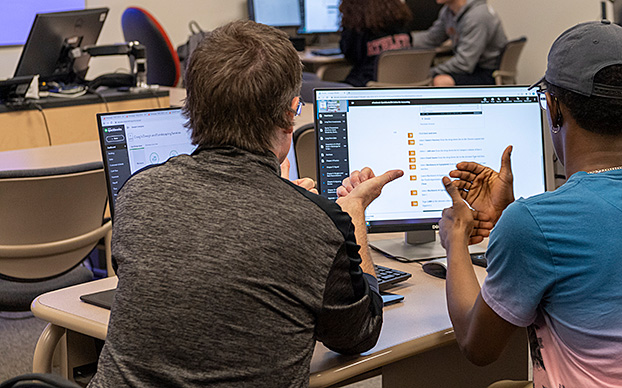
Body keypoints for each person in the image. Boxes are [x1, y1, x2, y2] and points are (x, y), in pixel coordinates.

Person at [89, 20, 402, 387]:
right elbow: (359, 334)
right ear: (289, 115)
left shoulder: (138, 192)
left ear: (193, 108)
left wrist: (279, 199)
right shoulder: (316, 223)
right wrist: (351, 216)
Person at [437, 21, 622, 388]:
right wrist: (512, 220)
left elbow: (476, 347)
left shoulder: (533, 225)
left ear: (552, 107)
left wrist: (456, 235)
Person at [412, 0, 507, 86]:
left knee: (440, 81)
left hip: (487, 71)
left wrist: (427, 73)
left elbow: (464, 64)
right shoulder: (448, 11)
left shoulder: (477, 15)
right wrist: (406, 40)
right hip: (472, 67)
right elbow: (432, 38)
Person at [339, 0, 413, 87]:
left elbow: (349, 53)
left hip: (367, 85)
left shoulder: (359, 28)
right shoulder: (401, 22)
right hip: (404, 84)